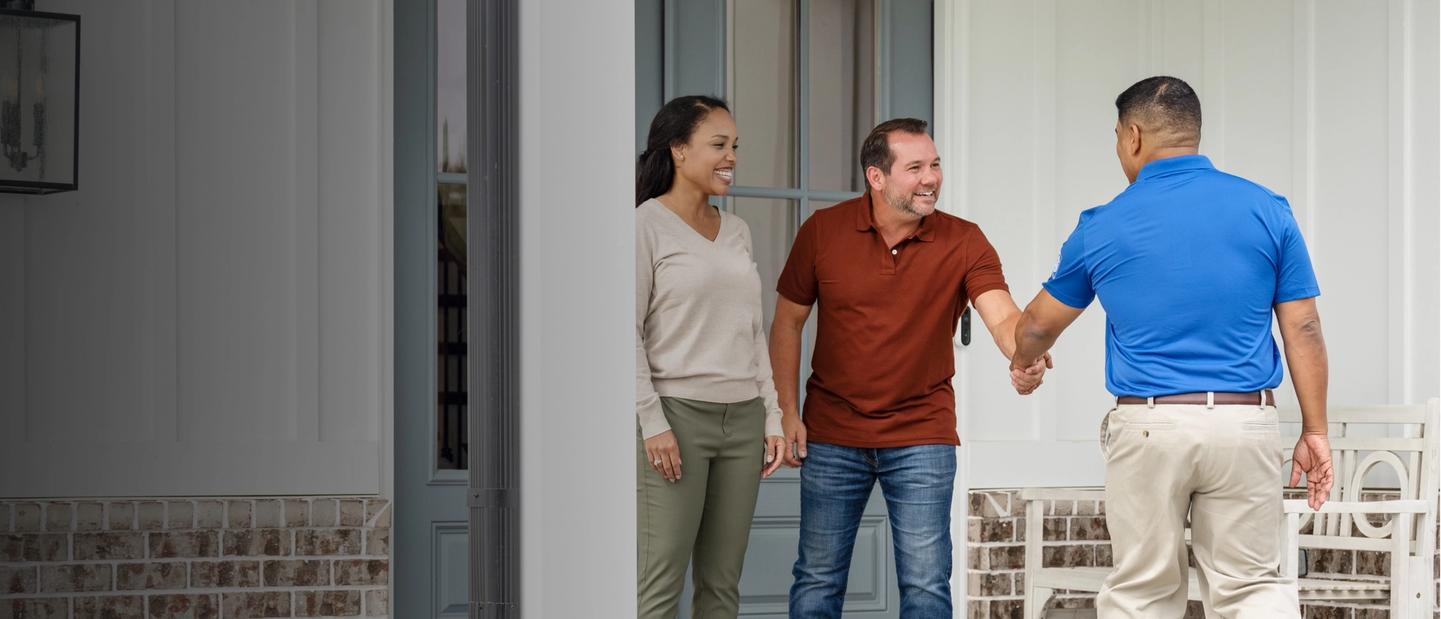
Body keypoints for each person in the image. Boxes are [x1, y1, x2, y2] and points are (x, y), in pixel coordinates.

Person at [1009, 75, 1334, 618]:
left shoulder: (1103, 224)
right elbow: (1303, 329)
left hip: (1149, 427)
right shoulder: (1267, 209)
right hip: (1244, 422)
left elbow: (1038, 326)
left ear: (1133, 136)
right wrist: (1315, 430)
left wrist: (1025, 360)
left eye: (1116, 137)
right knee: (1251, 587)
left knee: (1141, 593)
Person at [770, 117, 1049, 618]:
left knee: (925, 585)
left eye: (935, 164)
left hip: (922, 434)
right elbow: (787, 323)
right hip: (833, 433)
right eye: (915, 167)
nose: (931, 178)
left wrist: (1023, 355)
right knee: (817, 581)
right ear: (876, 177)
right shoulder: (822, 232)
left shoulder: (964, 240)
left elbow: (1002, 314)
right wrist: (787, 411)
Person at [634, 95, 789, 618]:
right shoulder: (644, 226)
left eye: (735, 146)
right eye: (718, 145)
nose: (731, 157)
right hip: (676, 419)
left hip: (742, 420)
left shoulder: (738, 230)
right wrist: (653, 424)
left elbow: (750, 332)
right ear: (678, 150)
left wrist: (772, 415)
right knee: (659, 586)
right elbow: (623, 333)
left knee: (722, 586)